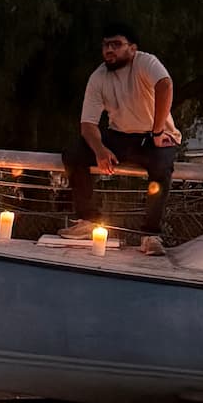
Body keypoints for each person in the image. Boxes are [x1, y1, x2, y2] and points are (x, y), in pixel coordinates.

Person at [64, 19, 181, 253]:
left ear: (132, 48)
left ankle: (150, 235)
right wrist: (100, 150)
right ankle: (89, 221)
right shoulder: (99, 76)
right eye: (106, 45)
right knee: (74, 154)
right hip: (120, 136)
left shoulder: (146, 62)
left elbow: (165, 86)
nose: (109, 50)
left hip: (155, 137)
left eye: (116, 44)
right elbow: (88, 124)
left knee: (161, 168)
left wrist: (158, 131)